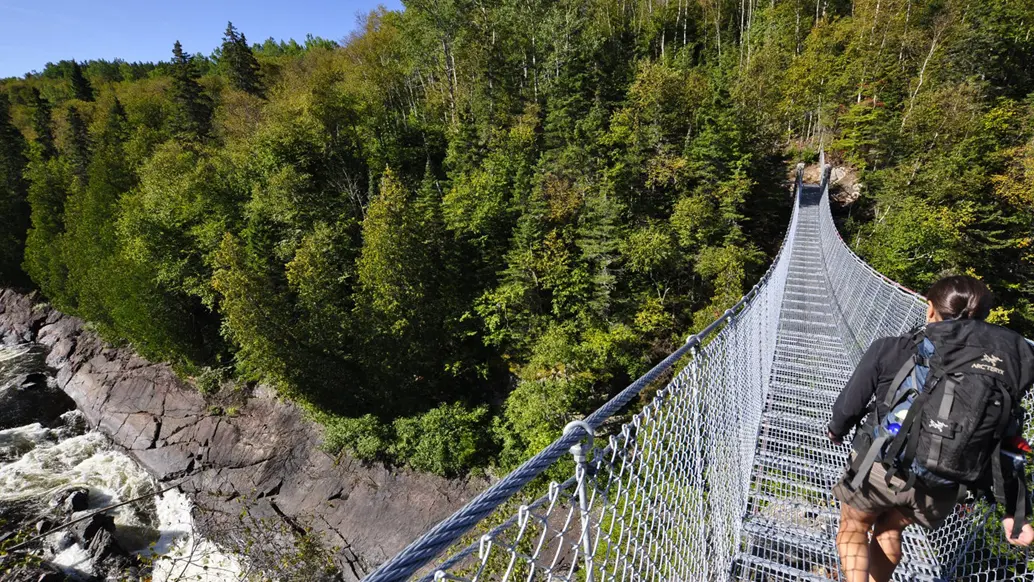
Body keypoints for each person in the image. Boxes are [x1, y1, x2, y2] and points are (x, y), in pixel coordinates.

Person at [827, 275, 1034, 582]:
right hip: (943, 487)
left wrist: (836, 430)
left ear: (929, 308)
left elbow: (848, 406)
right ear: (984, 318)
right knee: (890, 529)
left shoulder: (892, 348)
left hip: (880, 468)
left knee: (853, 528)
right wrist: (1014, 513)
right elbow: (1005, 440)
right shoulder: (1000, 364)